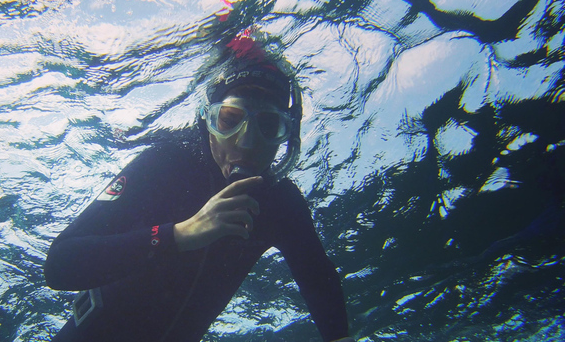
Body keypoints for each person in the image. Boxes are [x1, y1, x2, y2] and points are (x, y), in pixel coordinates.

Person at [44, 34, 354, 342]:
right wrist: (179, 234)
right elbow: (60, 264)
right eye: (230, 119)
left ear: (287, 136)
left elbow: (319, 282)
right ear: (207, 119)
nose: (246, 142)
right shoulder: (166, 165)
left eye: (269, 126)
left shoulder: (280, 203)